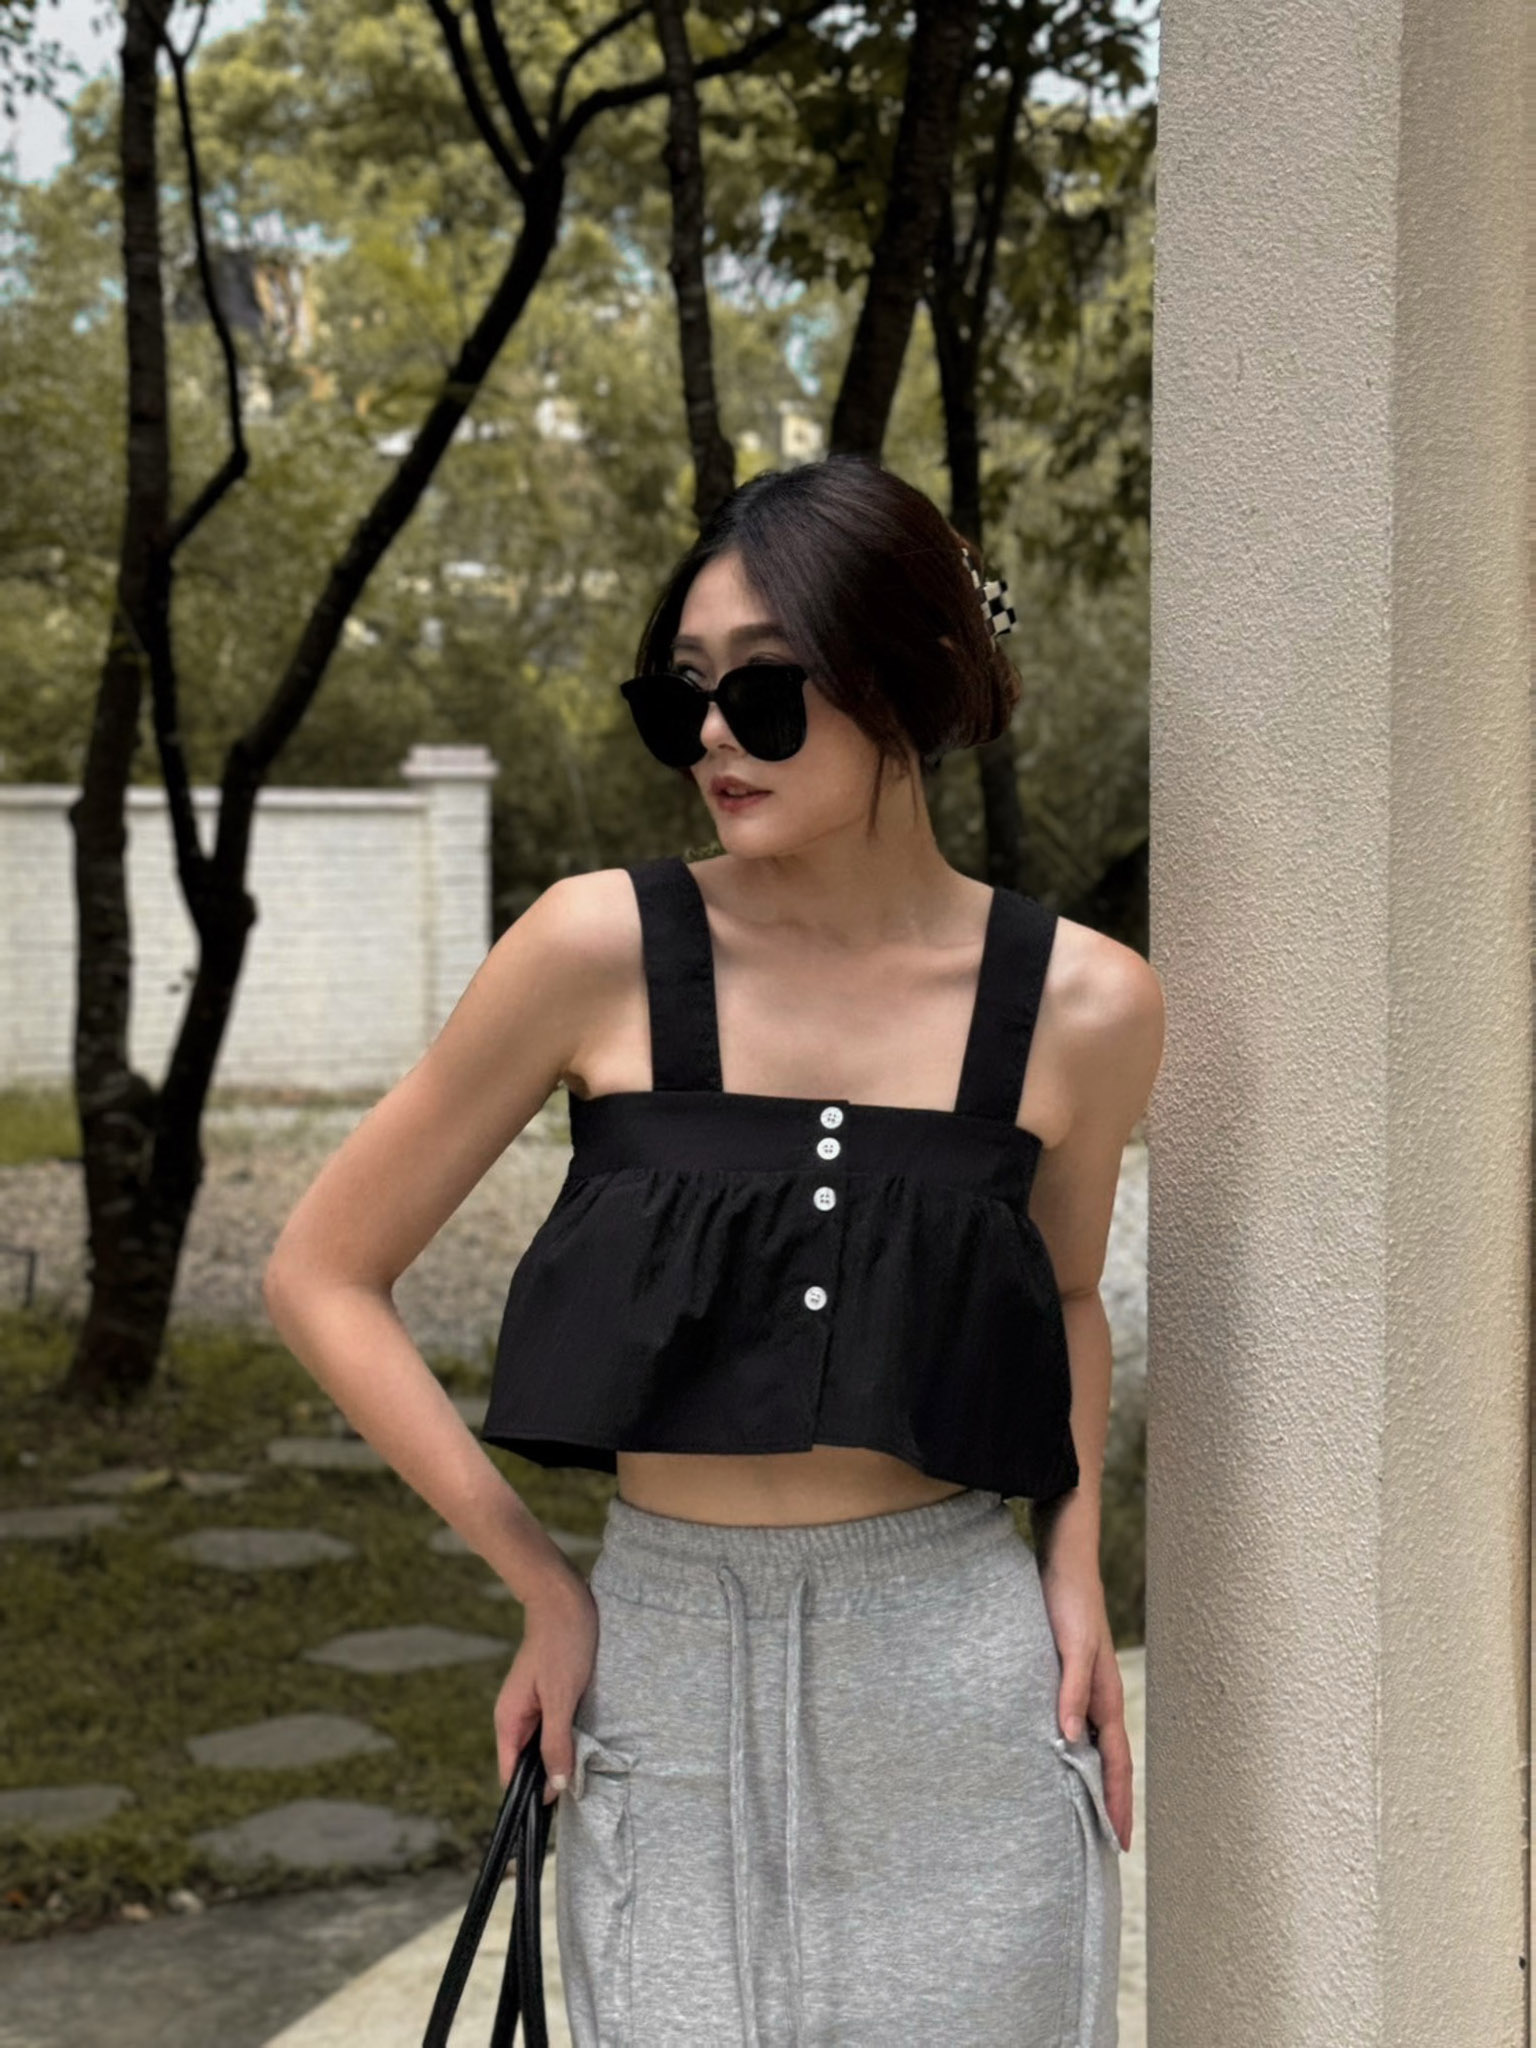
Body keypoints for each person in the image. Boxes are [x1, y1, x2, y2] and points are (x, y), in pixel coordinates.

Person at [262, 452, 1164, 2047]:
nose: (711, 741)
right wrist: (543, 1582)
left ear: (908, 679)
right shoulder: (594, 949)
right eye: (680, 696)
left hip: (959, 1695)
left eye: (760, 690)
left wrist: (1073, 1566)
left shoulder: (1086, 1003)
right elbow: (320, 1272)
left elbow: (1070, 1294)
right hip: (663, 1686)